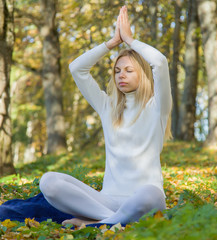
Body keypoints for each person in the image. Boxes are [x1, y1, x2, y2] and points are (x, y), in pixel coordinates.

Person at [39, 6, 172, 227]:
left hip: (143, 201)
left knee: (152, 193)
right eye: (117, 71)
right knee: (49, 181)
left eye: (129, 70)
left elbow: (159, 62)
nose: (121, 75)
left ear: (142, 74)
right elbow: (76, 69)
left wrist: (130, 40)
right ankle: (110, 220)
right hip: (107, 200)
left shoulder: (157, 106)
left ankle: (93, 223)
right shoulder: (107, 106)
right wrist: (111, 43)